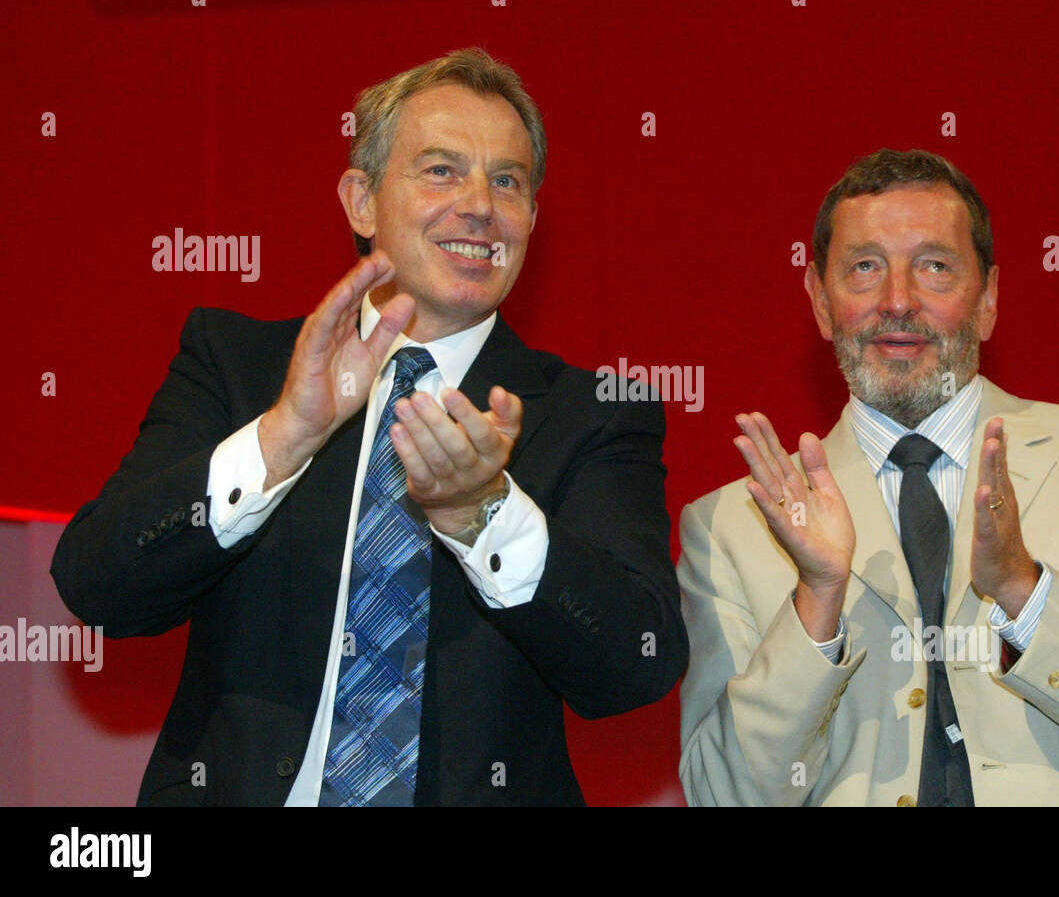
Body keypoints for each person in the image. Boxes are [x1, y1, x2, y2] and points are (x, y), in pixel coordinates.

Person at [52, 48, 687, 806]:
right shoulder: (239, 364)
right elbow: (99, 586)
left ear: (531, 220)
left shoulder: (594, 414)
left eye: (508, 181)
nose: (480, 204)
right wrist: (283, 437)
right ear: (361, 201)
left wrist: (484, 513)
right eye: (442, 170)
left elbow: (635, 667)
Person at [676, 148, 1059, 806]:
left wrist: (1024, 593)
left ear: (988, 299)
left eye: (935, 267)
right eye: (864, 268)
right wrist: (817, 598)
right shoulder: (730, 525)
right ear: (820, 301)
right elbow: (723, 798)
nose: (898, 301)